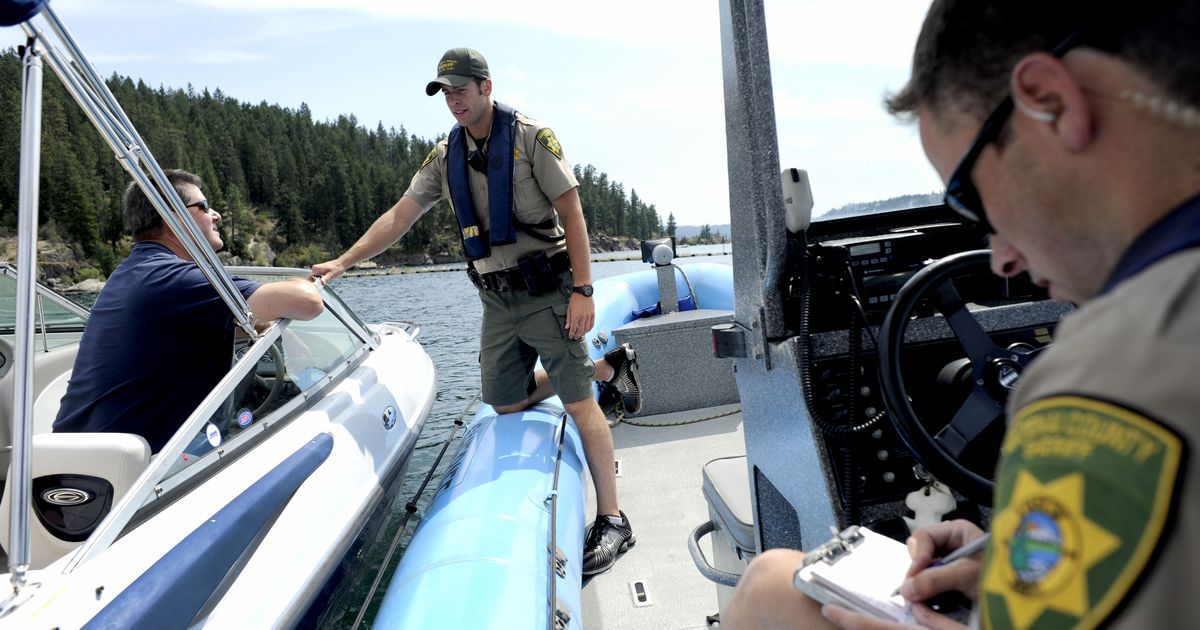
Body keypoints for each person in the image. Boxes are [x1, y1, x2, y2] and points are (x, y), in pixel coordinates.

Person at [724, 0, 1199, 627]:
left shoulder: (1105, 376)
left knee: (771, 589)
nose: (1001, 258)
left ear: (1051, 101)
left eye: (969, 197)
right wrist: (1010, 560)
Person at [311, 47, 641, 575]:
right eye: (445, 93)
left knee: (580, 404)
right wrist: (344, 262)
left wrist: (584, 290)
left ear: (486, 87)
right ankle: (606, 366)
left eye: (461, 90)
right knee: (504, 402)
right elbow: (400, 216)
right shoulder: (445, 157)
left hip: (549, 292)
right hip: (496, 301)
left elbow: (572, 213)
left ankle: (614, 519)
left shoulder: (533, 138)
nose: (453, 102)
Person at [53, 170, 325, 453]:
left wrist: (254, 326)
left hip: (82, 458)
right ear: (174, 215)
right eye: (205, 207)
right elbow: (308, 302)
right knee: (311, 388)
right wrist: (298, 283)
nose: (216, 214)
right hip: (140, 475)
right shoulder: (177, 279)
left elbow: (173, 329)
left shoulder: (132, 271)